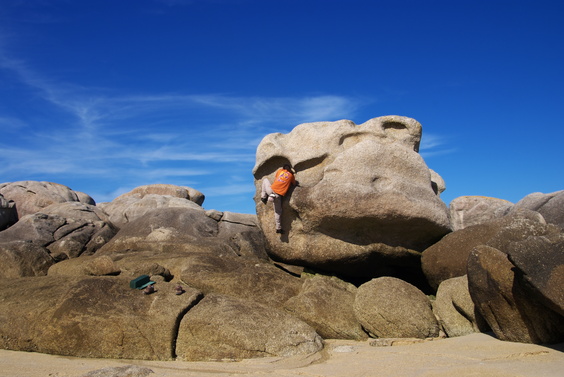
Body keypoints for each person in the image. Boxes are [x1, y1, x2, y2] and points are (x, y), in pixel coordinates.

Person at [260, 164, 298, 234]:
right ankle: (278, 228)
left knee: (265, 180)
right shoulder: (291, 175)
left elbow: (277, 177)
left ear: (283, 168)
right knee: (278, 212)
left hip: (270, 190)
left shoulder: (280, 171)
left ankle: (263, 197)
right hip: (278, 195)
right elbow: (294, 183)